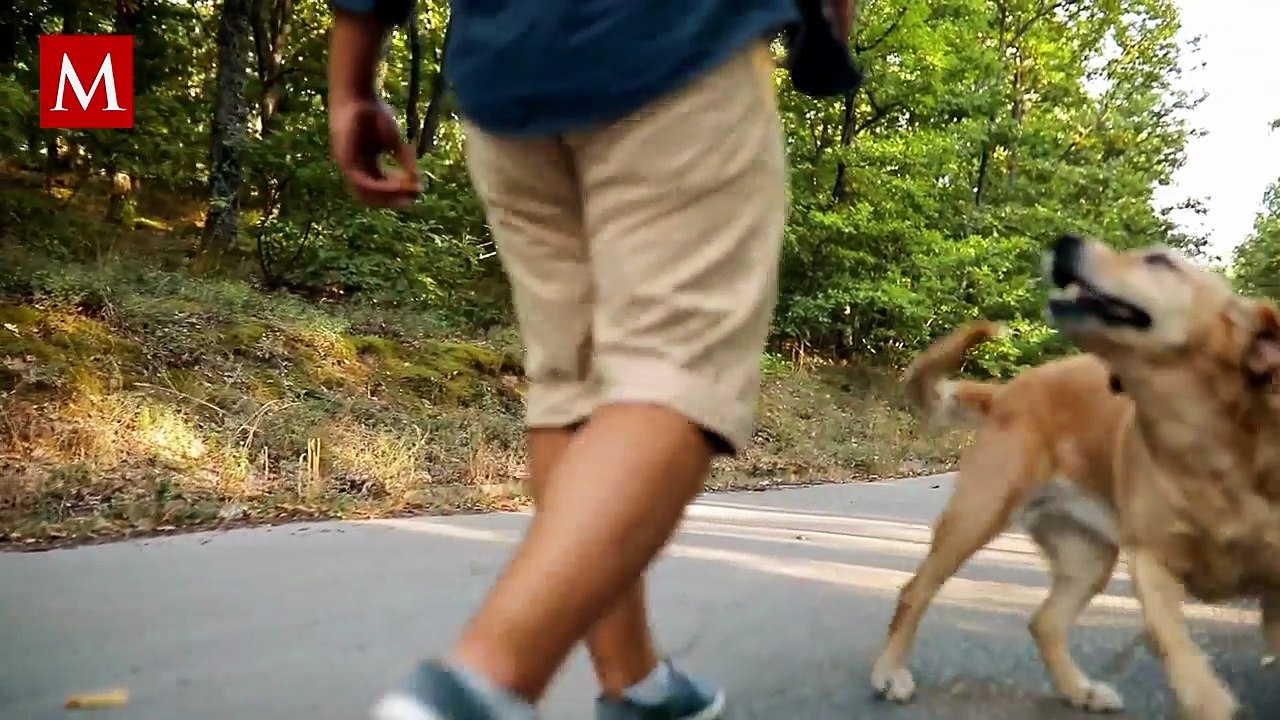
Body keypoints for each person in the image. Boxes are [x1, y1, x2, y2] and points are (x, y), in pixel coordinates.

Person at [325, 1, 857, 718]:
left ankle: (634, 681)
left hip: (506, 72)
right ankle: (477, 687)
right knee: (675, 369)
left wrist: (351, 81)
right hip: (675, 44)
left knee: (571, 386)